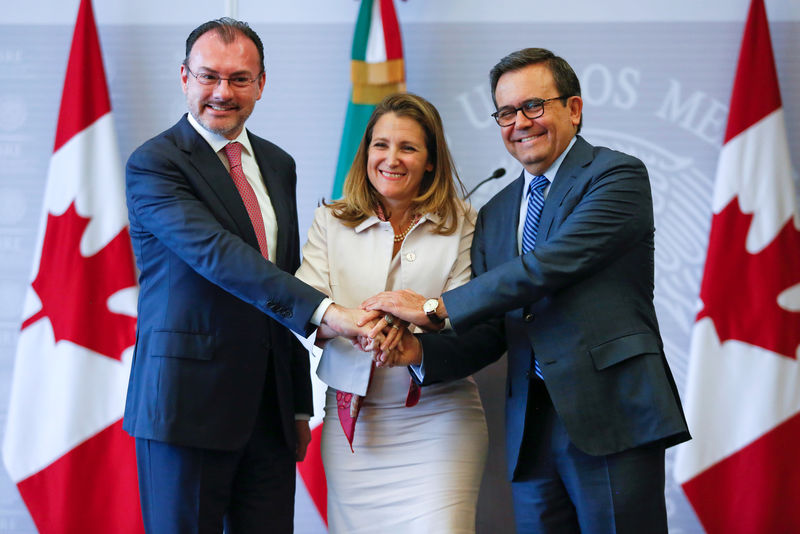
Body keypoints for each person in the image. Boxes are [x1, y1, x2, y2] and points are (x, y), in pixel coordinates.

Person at [362, 48, 691, 534]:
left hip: (610, 413)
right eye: (506, 112)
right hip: (530, 427)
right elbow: (494, 327)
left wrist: (436, 307)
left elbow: (551, 264)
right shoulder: (495, 213)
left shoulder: (615, 176)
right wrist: (418, 351)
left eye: (534, 106)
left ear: (574, 109)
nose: (520, 123)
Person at [123, 18, 371, 533]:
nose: (222, 92)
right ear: (184, 78)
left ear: (261, 84)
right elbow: (219, 256)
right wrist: (328, 313)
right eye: (209, 76)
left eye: (239, 79)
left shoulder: (278, 163)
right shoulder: (155, 163)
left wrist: (300, 406)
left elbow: (280, 275)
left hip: (270, 412)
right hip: (186, 408)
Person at [295, 93, 488, 533]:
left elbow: (471, 309)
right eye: (381, 145)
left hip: (440, 418)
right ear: (366, 153)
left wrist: (416, 323)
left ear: (431, 161)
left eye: (408, 147)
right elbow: (305, 303)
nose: (391, 158)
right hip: (355, 427)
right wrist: (348, 321)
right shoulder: (331, 219)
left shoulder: (464, 221)